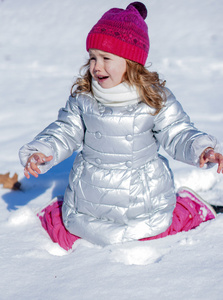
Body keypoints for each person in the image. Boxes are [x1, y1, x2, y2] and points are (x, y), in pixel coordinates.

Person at [19, 2, 223, 250]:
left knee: (153, 232)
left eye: (106, 58)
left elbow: (178, 132)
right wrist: (42, 150)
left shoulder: (154, 99)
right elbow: (64, 131)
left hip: (143, 199)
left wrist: (202, 149)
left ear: (131, 62)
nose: (96, 66)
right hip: (91, 196)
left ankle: (193, 205)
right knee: (72, 236)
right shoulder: (84, 98)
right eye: (92, 57)